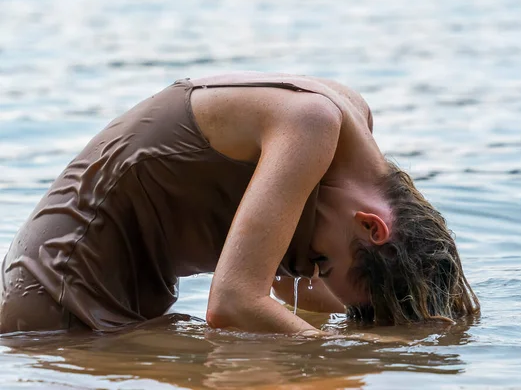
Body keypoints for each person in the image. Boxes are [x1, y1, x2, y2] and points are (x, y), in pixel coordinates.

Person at [0, 72, 479, 334]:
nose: (311, 266)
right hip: (57, 293)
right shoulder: (311, 123)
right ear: (371, 226)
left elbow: (307, 298)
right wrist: (336, 358)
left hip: (137, 298)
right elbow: (232, 303)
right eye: (321, 260)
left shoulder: (347, 135)